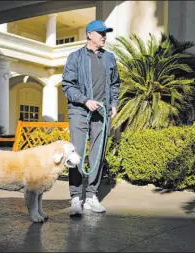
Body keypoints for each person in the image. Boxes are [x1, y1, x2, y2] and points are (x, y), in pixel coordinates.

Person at [61, 20, 120, 216]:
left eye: (106, 33)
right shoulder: (75, 57)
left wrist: (113, 104)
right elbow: (68, 86)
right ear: (89, 35)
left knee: (98, 154)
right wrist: (85, 100)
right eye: (101, 33)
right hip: (79, 110)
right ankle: (76, 197)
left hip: (102, 112)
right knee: (76, 153)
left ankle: (92, 197)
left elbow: (115, 84)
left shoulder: (110, 58)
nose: (104, 36)